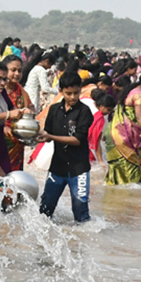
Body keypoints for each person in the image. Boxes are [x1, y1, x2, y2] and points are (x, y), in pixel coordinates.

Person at [39, 71, 94, 222]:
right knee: (45, 209)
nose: (72, 97)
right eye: (68, 93)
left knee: (80, 210)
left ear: (80, 90)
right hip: (57, 167)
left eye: (76, 93)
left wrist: (50, 136)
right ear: (60, 91)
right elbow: (47, 135)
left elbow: (77, 140)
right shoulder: (54, 110)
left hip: (79, 169)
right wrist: (35, 136)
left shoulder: (84, 111)